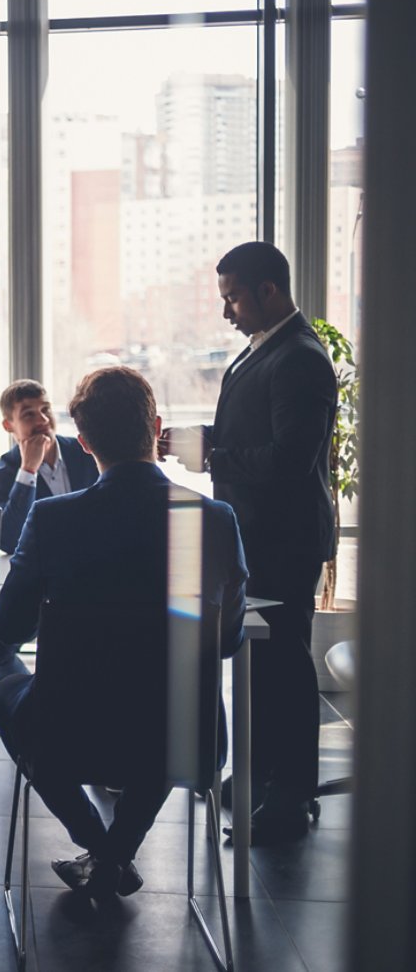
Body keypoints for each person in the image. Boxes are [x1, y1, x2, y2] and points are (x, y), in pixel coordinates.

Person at [0, 367, 247, 900]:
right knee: (162, 711)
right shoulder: (213, 518)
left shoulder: (54, 520)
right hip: (186, 735)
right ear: (156, 426)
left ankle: (99, 846)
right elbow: (226, 642)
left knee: (7, 698)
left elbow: (7, 627)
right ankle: (117, 852)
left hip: (71, 729)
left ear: (83, 443)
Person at [161, 241, 337, 845]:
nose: (226, 310)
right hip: (255, 535)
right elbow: (251, 434)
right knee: (260, 665)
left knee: (285, 666)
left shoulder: (301, 359)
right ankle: (261, 779)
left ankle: (289, 797)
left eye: (233, 296)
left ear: (269, 291)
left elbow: (291, 460)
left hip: (283, 541)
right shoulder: (262, 352)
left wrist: (215, 454)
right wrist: (198, 441)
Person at [0, 380, 100, 680]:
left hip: (93, 576)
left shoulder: (86, 452)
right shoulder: (0, 475)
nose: (42, 420)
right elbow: (8, 540)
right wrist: (28, 471)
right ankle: (35, 692)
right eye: (28, 414)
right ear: (9, 425)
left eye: (45, 410)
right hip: (39, 581)